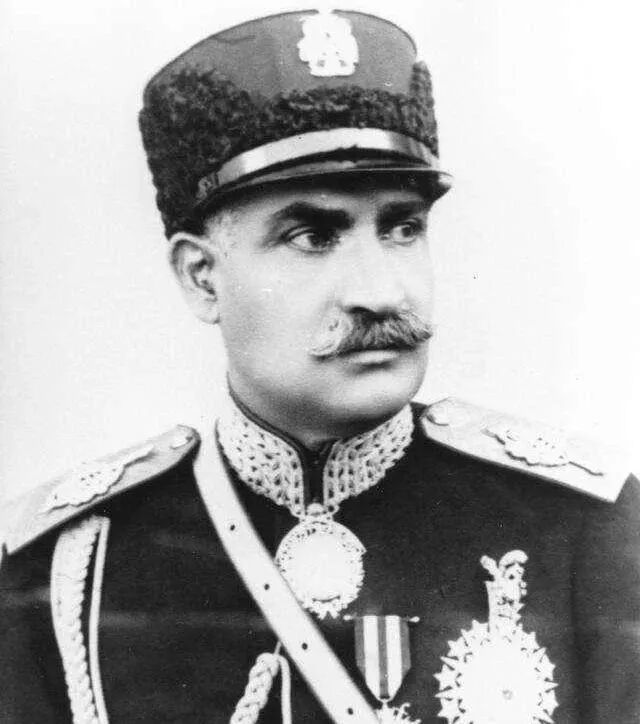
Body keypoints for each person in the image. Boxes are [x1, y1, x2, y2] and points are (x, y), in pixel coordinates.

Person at [1, 9, 638, 724]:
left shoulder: (582, 531)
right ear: (202, 278)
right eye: (312, 236)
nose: (382, 292)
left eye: (403, 228)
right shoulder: (65, 571)